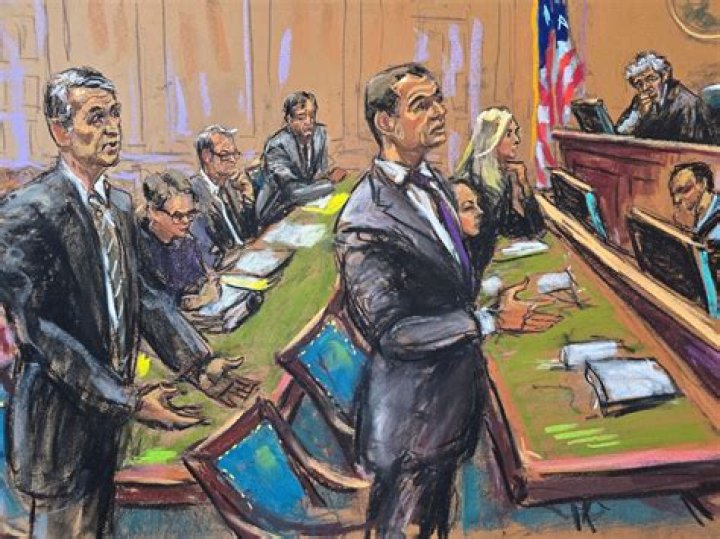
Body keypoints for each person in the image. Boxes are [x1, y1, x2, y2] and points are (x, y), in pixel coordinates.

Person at [0, 67, 248, 537]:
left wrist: (199, 363)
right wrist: (128, 399)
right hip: (58, 430)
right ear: (61, 131)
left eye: (114, 114)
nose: (112, 127)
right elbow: (42, 334)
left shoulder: (116, 206)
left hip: (109, 424)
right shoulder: (25, 212)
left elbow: (144, 299)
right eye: (96, 117)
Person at [335, 63, 485, 538]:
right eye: (421, 105)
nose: (439, 112)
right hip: (409, 425)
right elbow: (394, 333)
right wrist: (484, 322)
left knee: (436, 524)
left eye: (438, 99)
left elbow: (446, 279)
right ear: (386, 122)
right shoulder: (365, 217)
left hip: (448, 403)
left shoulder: (433, 182)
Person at [454, 106, 545, 277]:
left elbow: (534, 230)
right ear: (491, 140)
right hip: (472, 274)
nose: (517, 140)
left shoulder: (500, 178)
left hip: (490, 267)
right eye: (509, 134)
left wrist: (524, 186)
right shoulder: (467, 186)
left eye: (516, 133)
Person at [138, 170, 221, 310]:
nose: (186, 221)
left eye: (190, 214)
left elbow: (198, 280)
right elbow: (160, 303)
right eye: (177, 216)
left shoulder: (187, 242)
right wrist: (203, 299)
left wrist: (209, 281)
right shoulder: (139, 248)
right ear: (153, 212)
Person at [260, 91, 341, 223]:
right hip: (278, 212)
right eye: (301, 117)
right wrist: (330, 183)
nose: (309, 122)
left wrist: (328, 178)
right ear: (289, 120)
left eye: (312, 116)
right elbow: (293, 193)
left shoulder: (319, 134)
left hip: (307, 205)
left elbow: (321, 173)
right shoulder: (276, 146)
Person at [191, 125, 257, 268]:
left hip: (245, 260)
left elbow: (250, 234)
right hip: (225, 269)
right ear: (207, 156)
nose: (233, 160)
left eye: (235, 154)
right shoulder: (193, 195)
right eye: (225, 155)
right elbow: (210, 257)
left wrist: (248, 196)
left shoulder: (230, 186)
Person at [615, 51, 714, 144]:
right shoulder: (640, 101)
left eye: (651, 79)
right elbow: (618, 134)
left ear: (664, 76)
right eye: (639, 84)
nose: (645, 87)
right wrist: (638, 115)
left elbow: (688, 145)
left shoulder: (686, 103)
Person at [669, 162, 719, 245]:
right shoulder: (700, 220)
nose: (677, 200)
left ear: (702, 184)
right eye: (674, 194)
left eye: (684, 190)